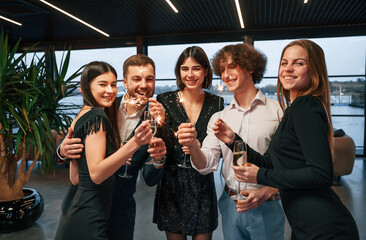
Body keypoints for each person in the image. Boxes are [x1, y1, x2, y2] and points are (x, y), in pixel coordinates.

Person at [224, 40, 359, 239]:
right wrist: (233, 140)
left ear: (314, 70)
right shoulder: (293, 110)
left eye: (298, 63)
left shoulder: (305, 105)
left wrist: (260, 176)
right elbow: (270, 162)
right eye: (284, 62)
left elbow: (321, 174)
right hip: (305, 226)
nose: (288, 69)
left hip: (325, 228)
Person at [178, 43, 285, 240]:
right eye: (222, 69)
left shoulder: (278, 112)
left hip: (267, 204)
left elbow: (292, 166)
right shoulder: (220, 117)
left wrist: (267, 191)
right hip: (231, 204)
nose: (226, 74)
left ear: (251, 67)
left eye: (233, 66)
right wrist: (193, 146)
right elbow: (206, 165)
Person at [56, 55, 167, 240]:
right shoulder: (104, 104)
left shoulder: (158, 118)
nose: (144, 85)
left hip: (121, 211)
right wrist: (61, 151)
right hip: (86, 203)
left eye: (149, 79)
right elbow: (76, 132)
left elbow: (150, 178)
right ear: (124, 82)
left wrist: (158, 160)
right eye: (137, 79)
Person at [154, 46, 223, 240]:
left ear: (206, 72)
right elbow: (162, 143)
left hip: (202, 183)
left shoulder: (216, 102)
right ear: (179, 72)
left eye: (196, 68)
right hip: (172, 183)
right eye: (185, 69)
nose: (190, 74)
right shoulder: (164, 100)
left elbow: (215, 143)